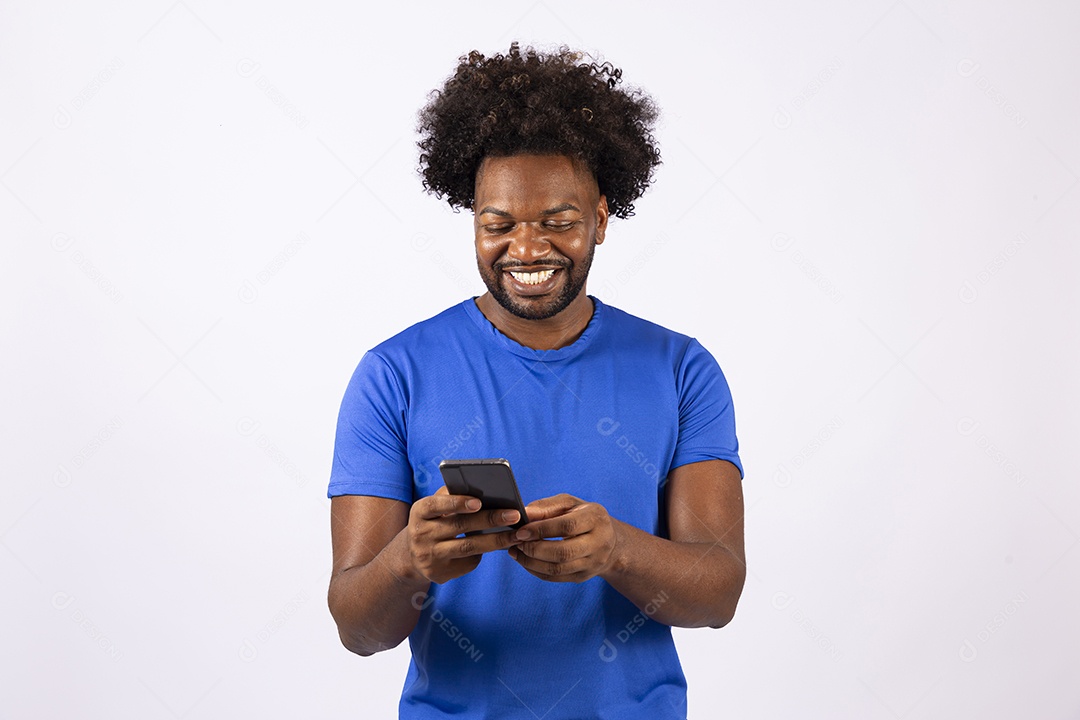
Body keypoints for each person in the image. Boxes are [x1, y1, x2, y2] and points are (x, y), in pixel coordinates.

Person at [327, 42, 745, 719]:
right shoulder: (392, 375)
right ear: (473, 221)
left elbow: (718, 595)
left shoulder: (681, 369)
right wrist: (408, 561)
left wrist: (617, 551)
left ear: (600, 220)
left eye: (558, 222)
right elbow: (357, 628)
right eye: (499, 224)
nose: (526, 249)